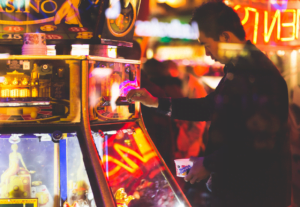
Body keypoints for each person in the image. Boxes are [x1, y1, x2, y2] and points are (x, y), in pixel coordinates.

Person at [126, 2, 291, 207]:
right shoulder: (238, 69)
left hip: (256, 196)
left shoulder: (260, 74)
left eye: (207, 44)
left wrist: (209, 163)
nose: (206, 53)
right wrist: (155, 102)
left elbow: (257, 142)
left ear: (225, 37)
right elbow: (209, 107)